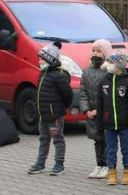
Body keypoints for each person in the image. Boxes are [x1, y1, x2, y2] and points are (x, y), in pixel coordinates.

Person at [29, 42, 72, 176]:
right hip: (43, 115)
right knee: (43, 139)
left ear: (49, 59)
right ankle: (40, 163)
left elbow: (67, 94)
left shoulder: (59, 76)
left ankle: (59, 164)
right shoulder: (42, 74)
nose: (39, 61)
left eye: (41, 58)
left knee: (57, 139)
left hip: (55, 116)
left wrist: (60, 109)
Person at [99, 51, 128, 186]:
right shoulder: (103, 81)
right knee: (110, 149)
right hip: (108, 124)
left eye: (111, 62)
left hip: (124, 123)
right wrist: (99, 122)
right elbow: (100, 104)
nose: (108, 65)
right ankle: (111, 172)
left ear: (119, 65)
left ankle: (127, 171)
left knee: (126, 148)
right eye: (108, 62)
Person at [79, 39, 112, 179]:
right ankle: (99, 164)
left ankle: (109, 165)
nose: (96, 54)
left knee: (106, 140)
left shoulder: (108, 72)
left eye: (99, 51)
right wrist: (86, 109)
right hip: (91, 114)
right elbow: (83, 92)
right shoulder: (87, 71)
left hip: (103, 113)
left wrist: (99, 110)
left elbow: (109, 94)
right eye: (94, 51)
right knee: (97, 140)